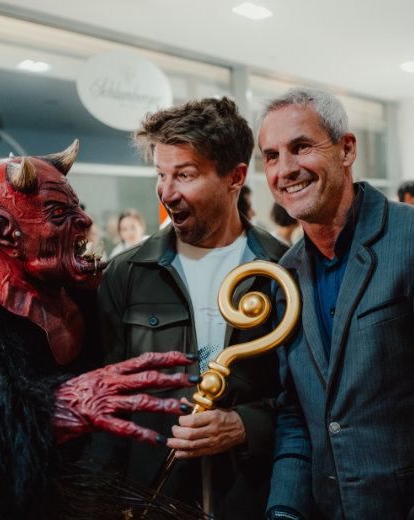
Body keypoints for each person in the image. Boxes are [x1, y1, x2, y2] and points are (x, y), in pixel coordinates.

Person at [0, 141, 200, 519]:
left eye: (78, 207)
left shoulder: (93, 299)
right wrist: (48, 409)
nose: (85, 220)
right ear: (0, 230)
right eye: (58, 212)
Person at [257, 87, 414, 519]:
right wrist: (284, 510)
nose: (286, 169)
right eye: (272, 156)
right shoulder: (285, 275)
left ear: (346, 149)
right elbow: (297, 416)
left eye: (301, 147)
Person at [98, 97, 287, 518]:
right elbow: (105, 402)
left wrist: (247, 424)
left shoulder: (283, 270)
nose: (167, 192)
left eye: (184, 175)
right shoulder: (127, 273)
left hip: (252, 499)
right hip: (152, 501)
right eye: (161, 174)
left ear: (236, 177)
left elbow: (311, 399)